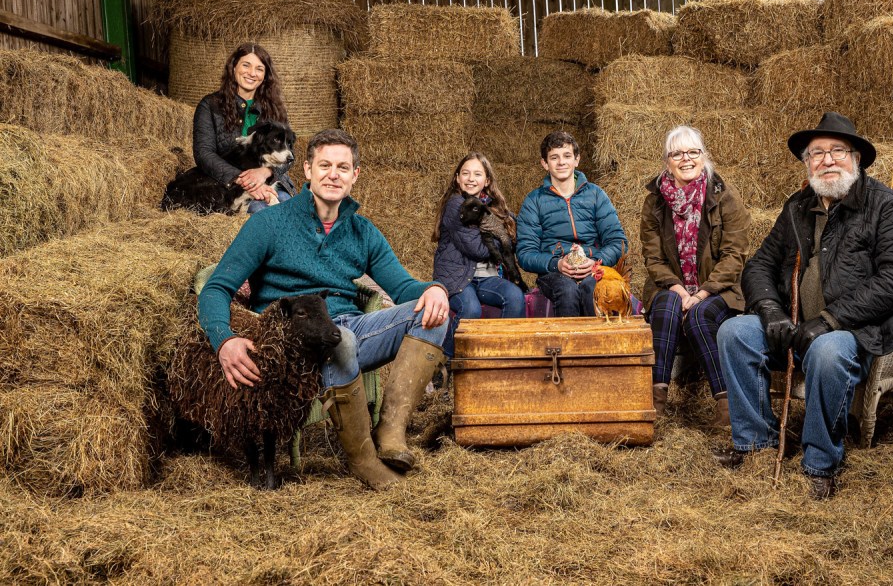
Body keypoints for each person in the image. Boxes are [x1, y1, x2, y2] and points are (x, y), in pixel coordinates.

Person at [198, 128, 449, 490]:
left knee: (432, 317)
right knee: (341, 339)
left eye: (343, 167)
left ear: (355, 176)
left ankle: (390, 434)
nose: (334, 174)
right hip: (291, 339)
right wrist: (224, 340)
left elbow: (405, 287)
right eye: (325, 165)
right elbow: (216, 288)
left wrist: (436, 290)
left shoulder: (362, 231)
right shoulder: (268, 224)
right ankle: (362, 460)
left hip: (348, 326)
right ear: (307, 171)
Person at [713, 112, 893, 500]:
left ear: (856, 158)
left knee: (828, 351)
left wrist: (831, 319)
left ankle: (821, 462)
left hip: (851, 330)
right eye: (816, 153)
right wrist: (769, 309)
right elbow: (760, 264)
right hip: (794, 324)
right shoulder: (798, 206)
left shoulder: (889, 208)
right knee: (734, 332)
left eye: (837, 151)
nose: (827, 160)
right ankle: (754, 444)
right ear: (807, 163)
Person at [640, 126, 750, 421]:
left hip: (718, 289)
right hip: (672, 286)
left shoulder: (724, 197)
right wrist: (677, 289)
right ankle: (655, 403)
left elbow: (734, 254)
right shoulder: (655, 201)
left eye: (692, 152)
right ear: (667, 161)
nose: (685, 159)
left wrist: (701, 293)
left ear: (703, 156)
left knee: (700, 315)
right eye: (677, 153)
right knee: (665, 306)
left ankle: (727, 407)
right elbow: (653, 257)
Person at [516, 130, 627, 317]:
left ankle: (597, 345)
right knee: (567, 290)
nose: (561, 162)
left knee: (592, 288)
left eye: (567, 156)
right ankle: (569, 346)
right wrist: (557, 264)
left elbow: (618, 241)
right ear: (545, 163)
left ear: (576, 160)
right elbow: (525, 253)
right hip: (555, 273)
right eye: (554, 157)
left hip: (593, 267)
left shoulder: (596, 195)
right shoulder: (534, 201)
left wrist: (596, 262)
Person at [432, 152, 526, 358]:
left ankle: (501, 358)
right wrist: (505, 238)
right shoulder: (456, 205)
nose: (471, 178)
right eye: (465, 173)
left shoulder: (494, 207)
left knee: (515, 297)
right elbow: (478, 249)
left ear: (487, 180)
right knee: (470, 309)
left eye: (477, 174)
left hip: (487, 278)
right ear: (457, 178)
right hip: (457, 277)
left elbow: (516, 229)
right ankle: (444, 362)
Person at [193, 43, 296, 213]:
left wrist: (265, 172)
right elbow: (204, 153)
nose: (252, 73)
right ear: (234, 68)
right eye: (246, 65)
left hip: (272, 180)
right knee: (263, 212)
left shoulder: (275, 109)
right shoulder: (210, 106)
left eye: (259, 68)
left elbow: (290, 155)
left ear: (265, 75)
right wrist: (244, 180)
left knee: (290, 208)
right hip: (229, 186)